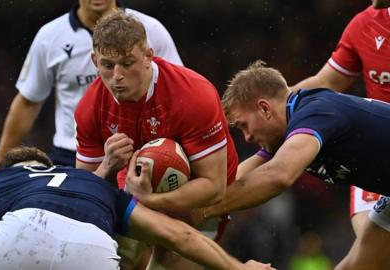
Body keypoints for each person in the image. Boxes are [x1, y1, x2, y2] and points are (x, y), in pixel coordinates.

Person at [74, 11, 238, 270]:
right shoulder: (89, 107)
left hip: (198, 204)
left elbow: (214, 187)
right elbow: (82, 193)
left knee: (171, 261)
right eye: (107, 65)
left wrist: (152, 201)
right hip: (132, 198)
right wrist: (106, 166)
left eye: (127, 64)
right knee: (104, 261)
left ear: (149, 56)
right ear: (94, 60)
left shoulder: (194, 95)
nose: (117, 75)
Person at [0, 146, 273, 270]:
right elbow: (179, 234)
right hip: (94, 248)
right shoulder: (92, 185)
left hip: (25, 227)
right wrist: (238, 268)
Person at [194, 61, 390, 269]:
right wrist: (189, 201)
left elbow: (279, 175)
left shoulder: (315, 112)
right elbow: (236, 177)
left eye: (244, 125)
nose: (247, 137)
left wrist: (204, 211)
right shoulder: (289, 132)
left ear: (264, 108)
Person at [0, 0, 182, 182]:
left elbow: (177, 90)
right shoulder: (49, 37)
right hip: (71, 155)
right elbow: (28, 102)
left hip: (139, 151)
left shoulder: (151, 30)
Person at [290, 0, 390, 239]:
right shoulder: (364, 25)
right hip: (379, 162)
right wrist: (273, 100)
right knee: (368, 252)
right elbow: (327, 83)